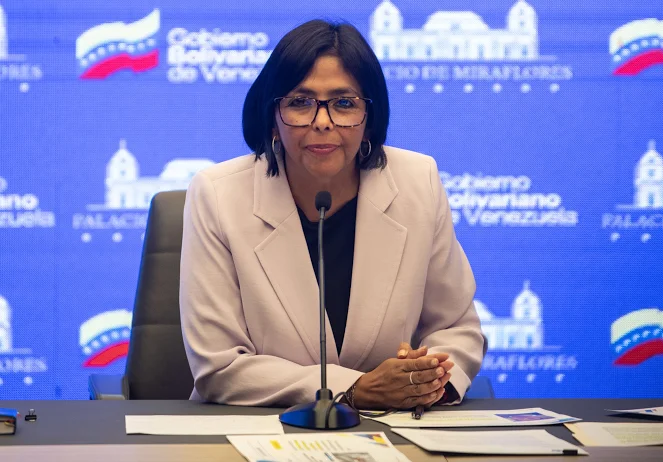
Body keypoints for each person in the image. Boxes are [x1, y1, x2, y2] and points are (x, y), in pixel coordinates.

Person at [179, 19, 486, 410]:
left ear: (370, 118)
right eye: (300, 102)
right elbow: (219, 366)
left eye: (344, 103)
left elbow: (456, 327)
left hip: (393, 427)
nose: (322, 122)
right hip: (259, 428)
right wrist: (356, 389)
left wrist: (427, 380)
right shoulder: (218, 194)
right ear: (271, 117)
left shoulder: (417, 181)